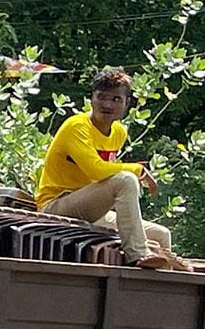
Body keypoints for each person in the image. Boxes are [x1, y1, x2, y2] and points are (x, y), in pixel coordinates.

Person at [35, 67, 172, 269]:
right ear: (91, 99)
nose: (107, 105)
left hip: (89, 207)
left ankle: (163, 282)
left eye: (116, 99)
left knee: (161, 235)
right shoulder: (77, 126)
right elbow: (97, 171)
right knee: (126, 180)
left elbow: (104, 177)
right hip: (57, 205)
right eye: (101, 97)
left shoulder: (119, 132)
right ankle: (138, 254)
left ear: (126, 103)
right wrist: (138, 170)